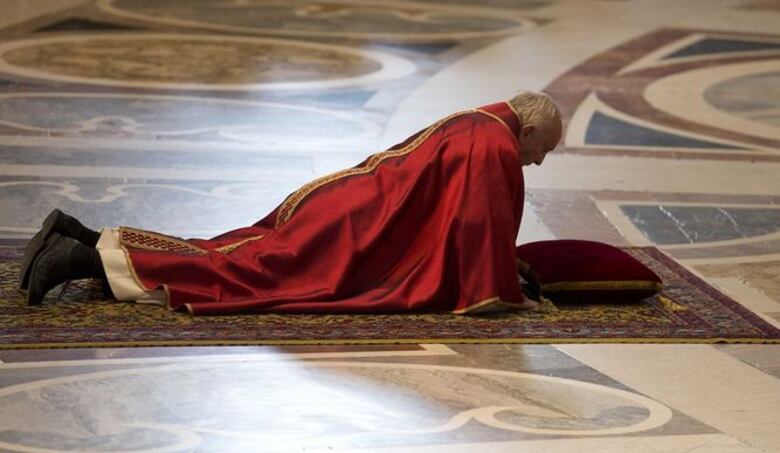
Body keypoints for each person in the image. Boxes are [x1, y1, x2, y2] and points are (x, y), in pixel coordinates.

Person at [20, 90, 562, 315]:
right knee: (249, 274)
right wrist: (504, 289)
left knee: (232, 251)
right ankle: (77, 260)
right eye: (542, 150)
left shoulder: (477, 122)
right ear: (530, 127)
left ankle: (81, 233)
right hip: (358, 229)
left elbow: (458, 220)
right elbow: (474, 226)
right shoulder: (494, 144)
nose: (536, 162)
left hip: (342, 202)